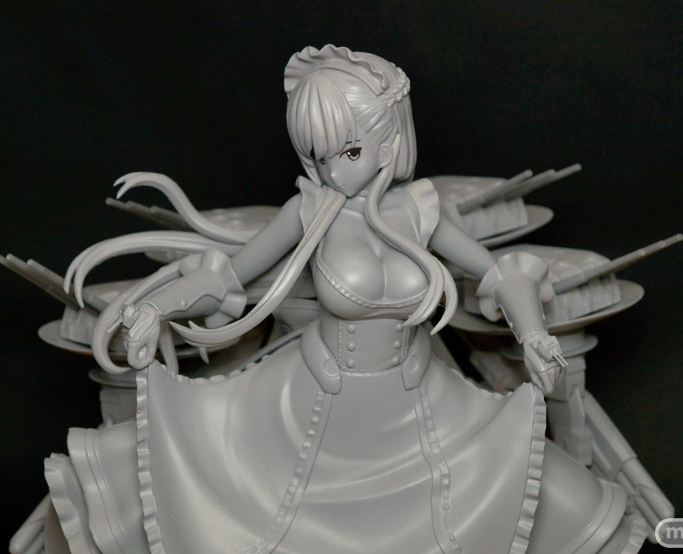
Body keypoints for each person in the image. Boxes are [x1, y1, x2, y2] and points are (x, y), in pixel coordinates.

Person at [35, 45, 644, 554]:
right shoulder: (309, 209)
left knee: (536, 493)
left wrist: (534, 335)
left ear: (390, 139)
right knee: (237, 500)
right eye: (317, 156)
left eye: (348, 152)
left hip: (419, 400)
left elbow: (502, 274)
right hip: (317, 401)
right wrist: (157, 307)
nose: (332, 172)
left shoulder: (422, 209)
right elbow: (228, 277)